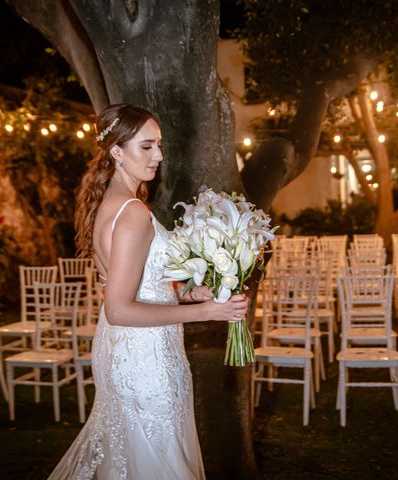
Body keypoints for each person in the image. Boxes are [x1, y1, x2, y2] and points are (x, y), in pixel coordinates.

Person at [48, 104, 248, 480]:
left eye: (159, 145)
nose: (159, 156)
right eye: (147, 146)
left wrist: (188, 294)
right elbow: (119, 308)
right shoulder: (133, 213)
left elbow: (133, 284)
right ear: (116, 152)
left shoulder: (110, 204)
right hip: (144, 358)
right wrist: (206, 313)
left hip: (124, 350)